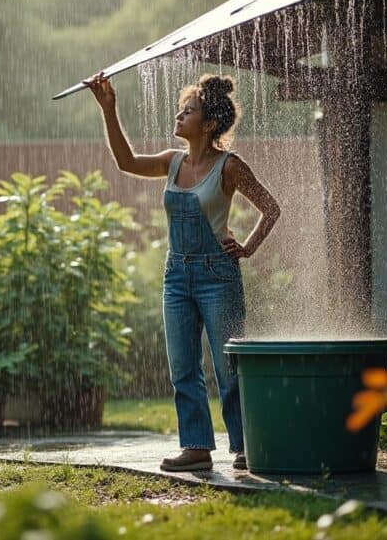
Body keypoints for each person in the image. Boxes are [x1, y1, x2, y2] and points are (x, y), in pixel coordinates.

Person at [82, 70, 280, 471]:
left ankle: (245, 446)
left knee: (229, 368)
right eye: (179, 109)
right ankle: (196, 448)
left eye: (187, 112)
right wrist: (108, 109)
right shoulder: (172, 163)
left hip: (218, 277)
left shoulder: (229, 166)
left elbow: (270, 208)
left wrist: (246, 248)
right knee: (184, 367)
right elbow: (125, 161)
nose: (178, 116)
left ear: (208, 125)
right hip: (177, 277)